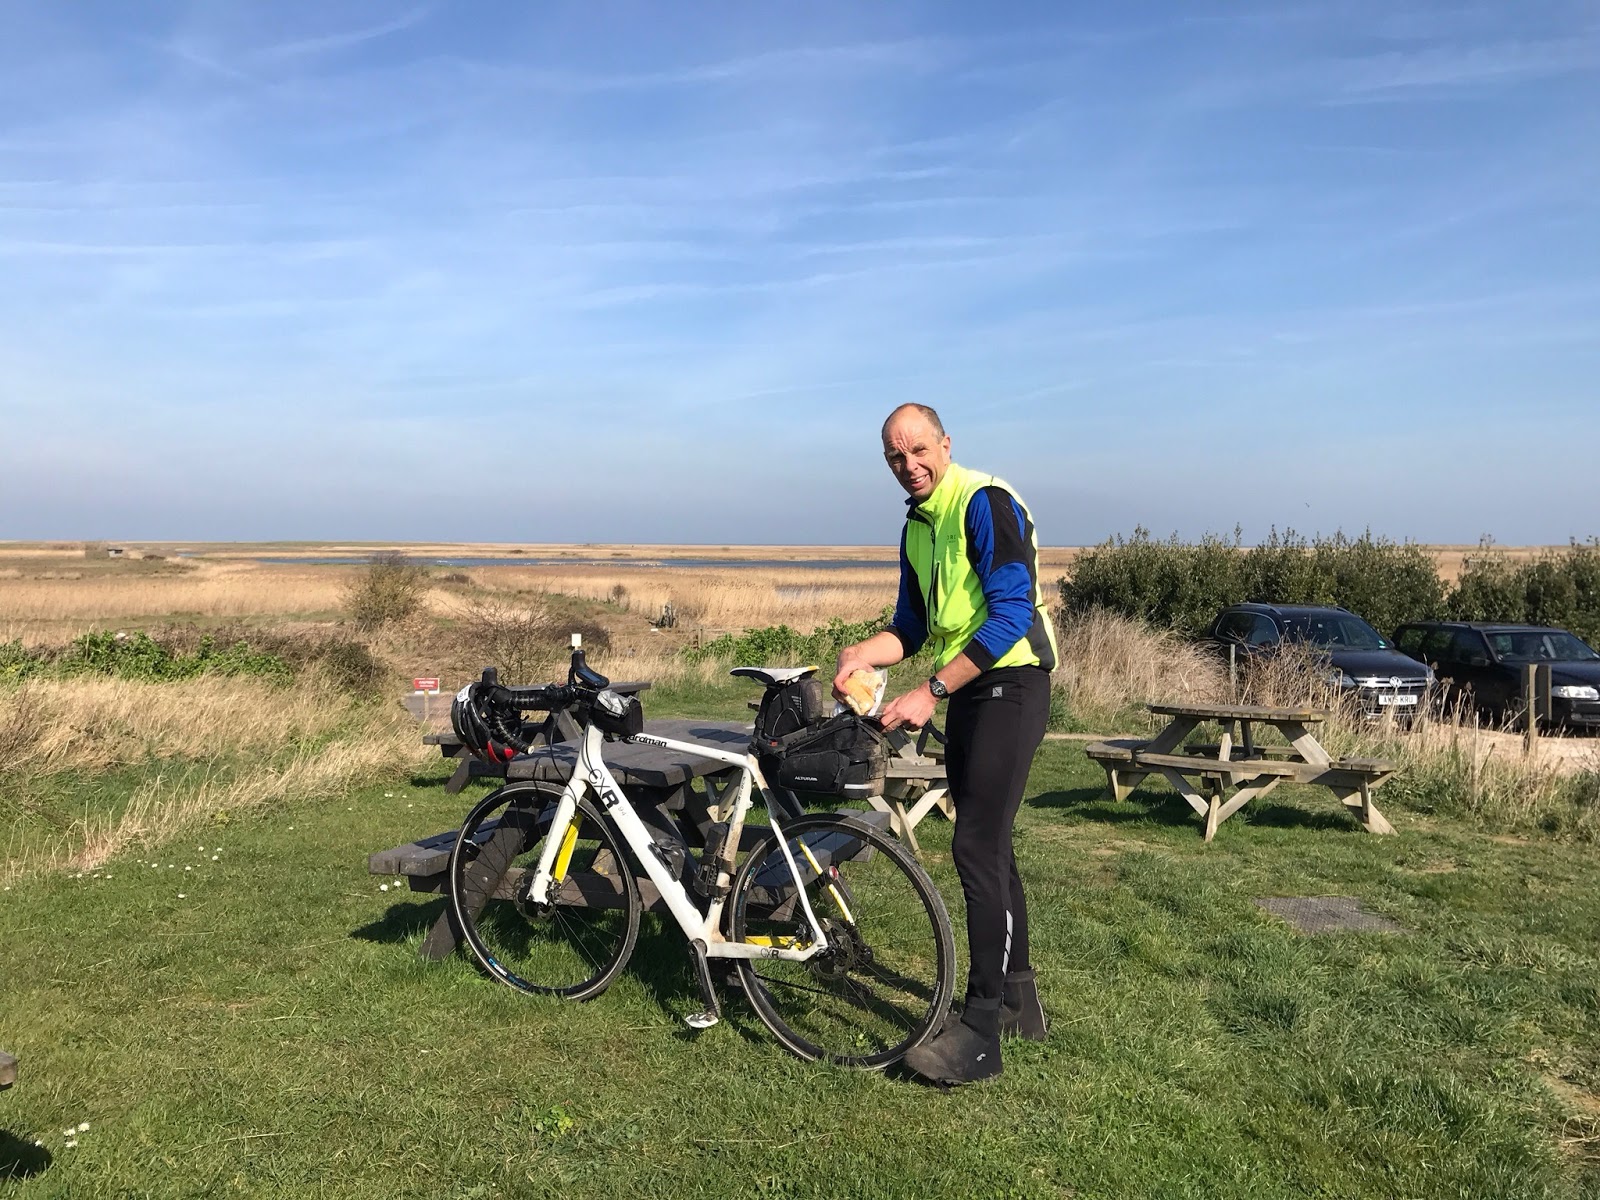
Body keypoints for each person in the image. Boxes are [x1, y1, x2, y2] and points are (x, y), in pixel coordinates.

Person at [833, 403, 1057, 1085]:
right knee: (990, 843)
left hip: (1012, 683)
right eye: (896, 458)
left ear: (945, 444)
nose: (910, 466)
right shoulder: (918, 528)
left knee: (973, 847)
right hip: (970, 689)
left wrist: (927, 692)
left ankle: (981, 1031)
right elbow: (909, 626)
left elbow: (1013, 613)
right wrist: (857, 654)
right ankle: (1020, 1001)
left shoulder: (984, 503)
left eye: (919, 450)